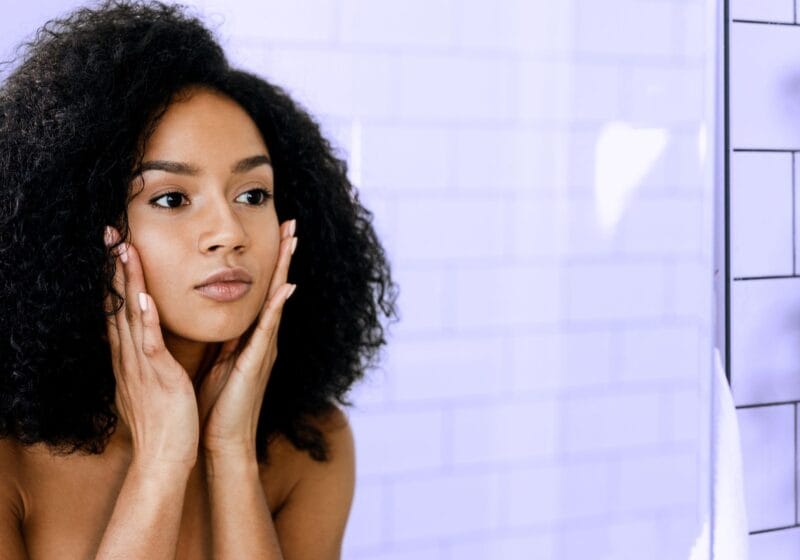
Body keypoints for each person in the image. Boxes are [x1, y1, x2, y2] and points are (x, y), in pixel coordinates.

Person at [0, 1, 399, 558]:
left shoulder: (310, 444)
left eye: (252, 195)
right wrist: (162, 458)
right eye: (171, 198)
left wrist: (230, 452)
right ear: (76, 225)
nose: (229, 232)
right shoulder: (11, 458)